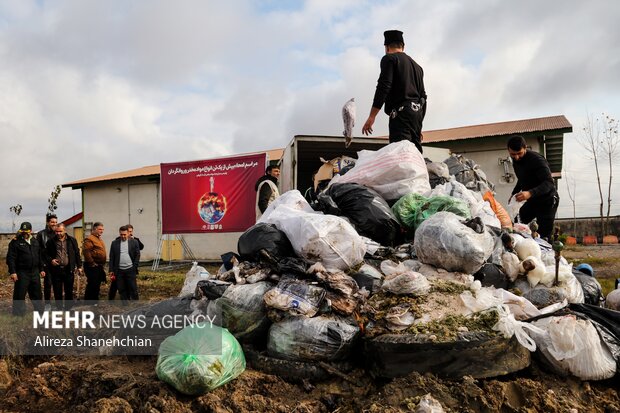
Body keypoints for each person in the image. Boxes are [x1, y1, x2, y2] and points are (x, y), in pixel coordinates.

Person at [362, 30, 427, 153]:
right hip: (417, 114)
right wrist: (418, 125)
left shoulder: (389, 59)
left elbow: (384, 86)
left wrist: (372, 116)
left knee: (400, 155)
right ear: (403, 46)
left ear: (386, 47)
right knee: (416, 155)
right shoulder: (418, 68)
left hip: (400, 114)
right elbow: (423, 97)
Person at [507, 135, 559, 240]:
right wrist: (514, 193)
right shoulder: (515, 161)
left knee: (544, 235)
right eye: (513, 154)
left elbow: (549, 183)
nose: (516, 157)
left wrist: (529, 193)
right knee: (517, 222)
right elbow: (521, 179)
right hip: (533, 200)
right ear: (508, 150)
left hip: (547, 200)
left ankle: (546, 252)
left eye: (519, 153)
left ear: (525, 148)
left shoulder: (537, 160)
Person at [6, 222, 45, 315]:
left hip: (35, 272)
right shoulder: (15, 242)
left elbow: (40, 257)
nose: (24, 233)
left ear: (30, 231)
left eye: (26, 231)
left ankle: (40, 312)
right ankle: (18, 314)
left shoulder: (35, 242)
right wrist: (13, 272)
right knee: (19, 294)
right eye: (22, 231)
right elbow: (10, 258)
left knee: (37, 294)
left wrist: (42, 269)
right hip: (22, 272)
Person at [45, 223, 82, 310]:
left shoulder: (72, 240)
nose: (58, 233)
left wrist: (79, 266)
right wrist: (51, 260)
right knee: (57, 290)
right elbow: (45, 254)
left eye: (60, 231)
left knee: (68, 290)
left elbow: (77, 253)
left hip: (68, 269)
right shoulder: (50, 241)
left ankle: (68, 308)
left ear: (64, 231)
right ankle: (59, 308)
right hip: (56, 270)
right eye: (56, 231)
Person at [109, 223, 144, 300]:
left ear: (128, 233)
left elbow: (137, 255)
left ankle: (136, 305)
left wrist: (134, 267)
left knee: (133, 288)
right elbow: (111, 257)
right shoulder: (114, 243)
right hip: (119, 271)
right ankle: (125, 305)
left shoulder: (134, 242)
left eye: (124, 234)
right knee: (121, 289)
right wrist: (111, 270)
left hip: (130, 269)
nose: (123, 236)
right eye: (121, 234)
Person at [36, 214, 57, 310]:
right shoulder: (41, 234)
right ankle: (47, 304)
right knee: (48, 284)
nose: (54, 224)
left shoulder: (58, 233)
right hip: (46, 264)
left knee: (58, 284)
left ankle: (58, 304)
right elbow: (39, 251)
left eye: (56, 222)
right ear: (48, 222)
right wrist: (41, 267)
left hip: (57, 264)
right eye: (52, 222)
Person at [82, 222, 107, 301]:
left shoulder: (99, 238)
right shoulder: (89, 238)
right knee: (92, 284)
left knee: (96, 284)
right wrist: (92, 263)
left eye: (102, 229)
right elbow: (86, 251)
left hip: (98, 265)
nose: (101, 231)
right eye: (100, 229)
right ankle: (89, 302)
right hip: (92, 266)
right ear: (94, 229)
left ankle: (94, 301)